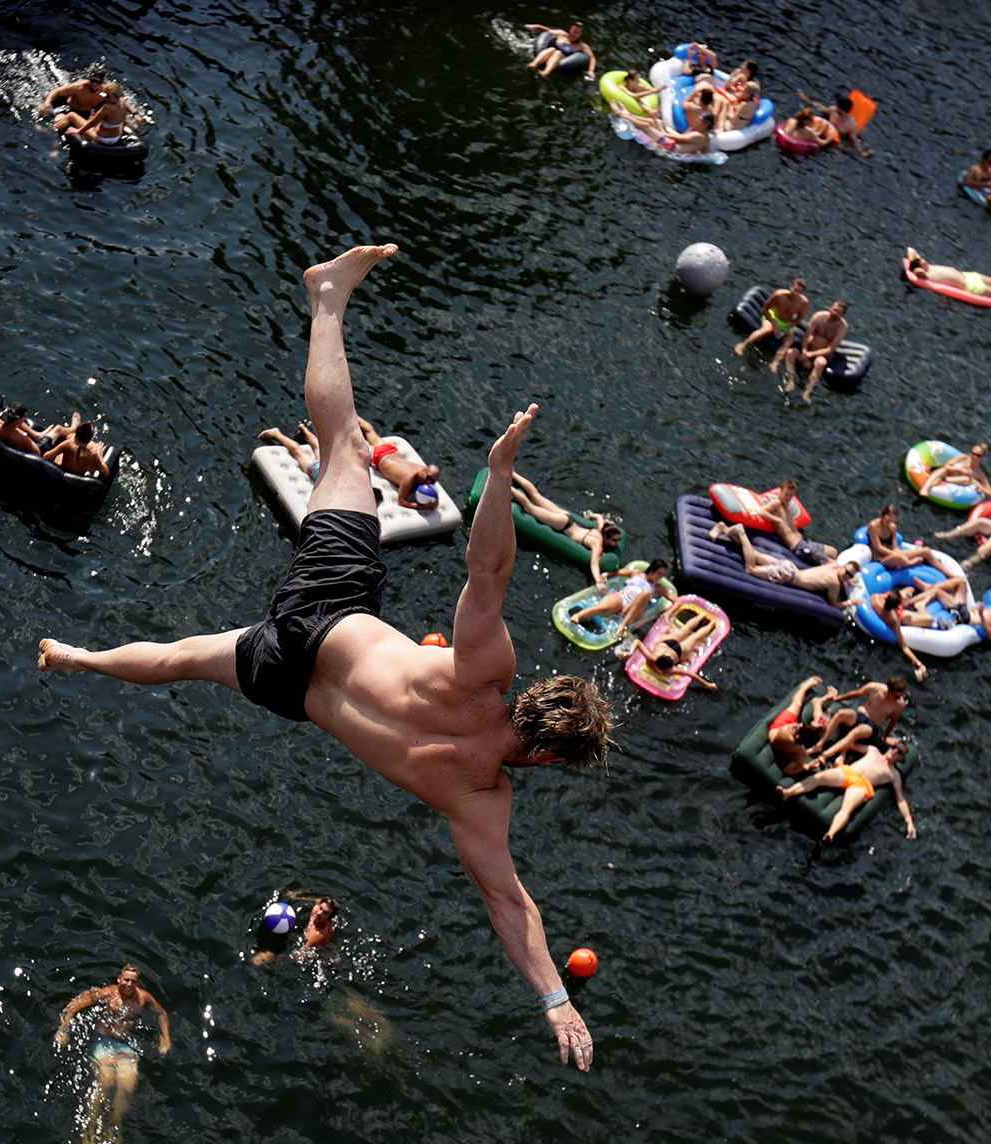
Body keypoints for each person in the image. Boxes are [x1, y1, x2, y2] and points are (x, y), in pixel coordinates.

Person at [38, 245, 608, 1070]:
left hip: (331, 615)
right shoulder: (481, 799)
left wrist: (499, 471)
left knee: (343, 447)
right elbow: (507, 903)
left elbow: (489, 571)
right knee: (181, 660)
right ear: (553, 756)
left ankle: (329, 298)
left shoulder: (485, 676)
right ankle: (83, 660)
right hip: (288, 682)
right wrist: (554, 998)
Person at [54, 964, 171, 1144]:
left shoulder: (143, 998)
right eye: (126, 980)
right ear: (119, 979)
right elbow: (76, 1003)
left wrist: (165, 1038)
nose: (128, 984)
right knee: (106, 1081)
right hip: (104, 1042)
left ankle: (114, 1127)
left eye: (133, 981)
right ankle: (90, 1130)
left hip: (125, 1045)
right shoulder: (108, 994)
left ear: (138, 983)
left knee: (127, 1085)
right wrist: (64, 1028)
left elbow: (162, 1014)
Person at [775, 742, 915, 843]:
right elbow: (849, 743)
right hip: (848, 772)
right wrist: (842, 755)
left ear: (901, 758)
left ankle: (831, 833)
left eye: (900, 752)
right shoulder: (873, 751)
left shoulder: (893, 774)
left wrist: (909, 822)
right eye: (894, 747)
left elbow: (900, 799)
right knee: (817, 778)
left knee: (847, 809)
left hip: (862, 785)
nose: (895, 751)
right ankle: (787, 793)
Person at [508, 471, 623, 586]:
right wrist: (598, 580)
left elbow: (599, 517)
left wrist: (591, 516)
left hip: (567, 517)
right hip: (562, 525)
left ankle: (512, 473)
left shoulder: (601, 529)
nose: (616, 543)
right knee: (529, 508)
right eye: (614, 540)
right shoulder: (597, 544)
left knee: (536, 495)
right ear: (606, 537)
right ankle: (507, 487)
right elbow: (594, 563)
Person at [707, 522, 858, 605]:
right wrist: (852, 601)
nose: (846, 575)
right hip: (789, 576)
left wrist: (848, 577)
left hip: (789, 566)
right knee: (751, 569)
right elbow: (834, 604)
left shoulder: (833, 565)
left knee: (755, 554)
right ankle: (740, 532)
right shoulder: (835, 585)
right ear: (844, 567)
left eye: (849, 574)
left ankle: (724, 529)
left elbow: (835, 566)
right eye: (847, 571)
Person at [903, 248, 991, 311]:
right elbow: (916, 270)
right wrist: (914, 266)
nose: (925, 260)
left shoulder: (929, 267)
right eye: (922, 261)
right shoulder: (924, 273)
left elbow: (910, 250)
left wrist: (915, 260)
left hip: (969, 276)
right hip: (968, 285)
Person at [841, 587, 930, 680]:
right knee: (929, 619)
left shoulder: (876, 598)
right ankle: (921, 605)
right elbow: (904, 646)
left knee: (910, 590)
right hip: (900, 616)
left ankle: (920, 597)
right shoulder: (893, 620)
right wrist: (918, 663)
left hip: (891, 607)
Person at [813, 676, 908, 760]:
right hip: (859, 714)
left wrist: (885, 737)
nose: (900, 698)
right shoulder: (874, 688)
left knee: (857, 731)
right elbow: (855, 694)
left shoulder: (899, 705)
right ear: (890, 691)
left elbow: (892, 722)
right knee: (841, 713)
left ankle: (826, 754)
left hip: (871, 726)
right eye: (897, 695)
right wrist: (837, 698)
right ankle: (820, 744)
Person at [626, 607, 720, 690]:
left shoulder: (652, 659)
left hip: (675, 649)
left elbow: (691, 675)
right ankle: (704, 618)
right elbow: (637, 642)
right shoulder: (653, 660)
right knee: (689, 633)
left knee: (693, 636)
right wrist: (630, 652)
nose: (667, 672)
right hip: (667, 644)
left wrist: (707, 684)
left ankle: (710, 623)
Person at [572, 559, 669, 637]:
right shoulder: (636, 573)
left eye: (663, 575)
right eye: (659, 573)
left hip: (633, 609)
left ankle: (623, 625)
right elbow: (616, 572)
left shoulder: (658, 588)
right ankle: (578, 616)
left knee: (645, 594)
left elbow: (675, 601)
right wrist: (606, 575)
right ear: (652, 570)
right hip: (623, 598)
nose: (660, 577)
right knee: (603, 608)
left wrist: (669, 612)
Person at [358, 417, 440, 510]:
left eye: (433, 481)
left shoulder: (423, 471)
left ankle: (354, 416)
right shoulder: (409, 479)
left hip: (391, 450)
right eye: (428, 478)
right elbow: (402, 502)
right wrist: (425, 507)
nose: (429, 482)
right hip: (378, 457)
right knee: (356, 441)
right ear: (424, 471)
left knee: (370, 431)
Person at [767, 675, 838, 777]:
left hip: (786, 738)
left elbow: (788, 769)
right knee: (797, 704)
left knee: (822, 726)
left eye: (800, 726)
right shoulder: (787, 734)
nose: (797, 724)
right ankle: (805, 687)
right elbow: (788, 770)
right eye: (801, 725)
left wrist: (808, 762)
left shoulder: (801, 752)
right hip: (778, 728)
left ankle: (819, 702)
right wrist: (808, 765)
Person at [753, 480, 835, 566]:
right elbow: (761, 512)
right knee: (830, 563)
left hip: (805, 543)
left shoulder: (788, 508)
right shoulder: (777, 503)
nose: (788, 497)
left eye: (790, 495)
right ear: (781, 491)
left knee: (833, 551)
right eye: (786, 494)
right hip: (798, 547)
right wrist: (776, 519)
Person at [785, 300, 849, 401]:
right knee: (790, 353)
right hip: (808, 347)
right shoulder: (819, 317)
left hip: (822, 352)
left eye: (839, 312)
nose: (835, 313)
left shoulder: (842, 328)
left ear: (843, 315)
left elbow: (830, 349)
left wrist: (809, 356)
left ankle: (807, 391)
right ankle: (791, 380)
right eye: (835, 310)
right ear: (831, 307)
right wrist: (805, 352)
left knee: (821, 363)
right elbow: (806, 336)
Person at [734, 279, 808, 359]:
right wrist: (775, 325)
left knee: (788, 341)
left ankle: (776, 361)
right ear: (791, 287)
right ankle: (744, 344)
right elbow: (765, 309)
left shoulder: (804, 303)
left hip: (786, 323)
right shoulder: (779, 295)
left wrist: (789, 327)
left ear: (802, 293)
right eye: (795, 290)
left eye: (799, 292)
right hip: (772, 317)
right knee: (767, 329)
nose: (795, 293)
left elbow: (799, 318)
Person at [253, 897, 339, 965]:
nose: (319, 913)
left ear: (329, 918)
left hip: (324, 954)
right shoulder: (315, 909)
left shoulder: (317, 935)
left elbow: (298, 958)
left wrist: (270, 956)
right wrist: (296, 896)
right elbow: (317, 900)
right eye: (320, 908)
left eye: (325, 913)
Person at [610, 101, 713, 156]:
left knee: (647, 126)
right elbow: (706, 150)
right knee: (656, 122)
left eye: (701, 121)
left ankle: (619, 114)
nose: (697, 122)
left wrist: (661, 130)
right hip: (672, 142)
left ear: (706, 126)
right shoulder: (704, 136)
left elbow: (678, 138)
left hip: (671, 147)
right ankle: (628, 114)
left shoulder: (698, 135)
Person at [58, 81, 139, 145]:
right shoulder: (122, 102)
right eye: (104, 94)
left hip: (103, 139)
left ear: (116, 97)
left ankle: (52, 132)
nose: (105, 98)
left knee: (71, 116)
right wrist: (135, 114)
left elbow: (92, 123)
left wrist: (78, 131)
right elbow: (127, 107)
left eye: (108, 97)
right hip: (116, 137)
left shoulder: (107, 108)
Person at [868, 503, 937, 569]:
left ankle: (948, 575)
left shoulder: (892, 526)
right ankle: (909, 563)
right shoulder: (874, 526)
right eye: (887, 518)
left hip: (891, 553)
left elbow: (895, 547)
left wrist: (899, 552)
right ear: (883, 515)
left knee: (926, 551)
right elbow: (878, 547)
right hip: (880, 559)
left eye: (892, 520)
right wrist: (897, 554)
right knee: (896, 556)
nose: (889, 521)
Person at [525, 21, 597, 80]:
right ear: (570, 30)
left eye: (577, 33)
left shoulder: (582, 46)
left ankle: (546, 71)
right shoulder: (561, 34)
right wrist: (538, 26)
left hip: (561, 58)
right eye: (573, 31)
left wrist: (591, 71)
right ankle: (534, 64)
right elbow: (548, 31)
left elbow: (592, 58)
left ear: (580, 34)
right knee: (551, 49)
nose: (574, 34)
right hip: (549, 53)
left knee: (557, 52)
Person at [44, 421, 113, 478]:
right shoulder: (93, 455)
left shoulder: (67, 445)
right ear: (89, 440)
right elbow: (106, 473)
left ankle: (73, 427)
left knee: (68, 439)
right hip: (76, 479)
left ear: (76, 436)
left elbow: (46, 456)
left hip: (60, 471)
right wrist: (99, 454)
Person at [39, 72, 106, 130]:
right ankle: (48, 130)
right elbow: (56, 91)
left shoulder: (104, 92)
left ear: (102, 83)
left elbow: (115, 100)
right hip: (69, 109)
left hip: (86, 114)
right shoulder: (78, 87)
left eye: (98, 82)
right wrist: (47, 103)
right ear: (88, 78)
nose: (94, 84)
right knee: (58, 120)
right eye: (93, 80)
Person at [920, 444, 991, 499]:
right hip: (944, 475)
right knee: (943, 470)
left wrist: (981, 489)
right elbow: (947, 465)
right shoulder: (963, 457)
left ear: (982, 458)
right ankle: (925, 488)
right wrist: (958, 470)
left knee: (968, 479)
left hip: (951, 483)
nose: (974, 457)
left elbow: (989, 490)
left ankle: (930, 486)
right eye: (973, 453)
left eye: (978, 455)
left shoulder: (979, 473)